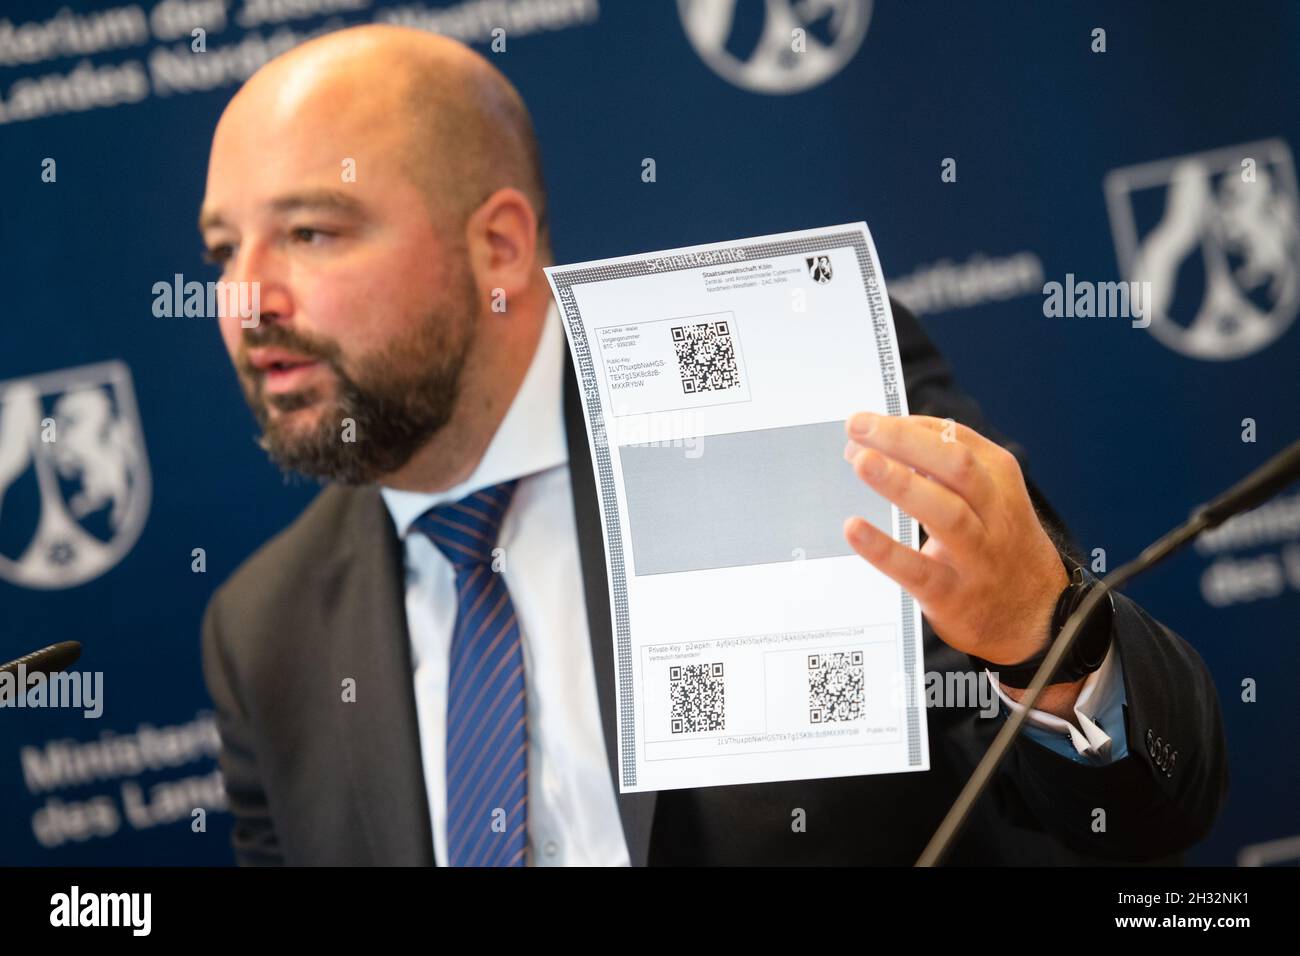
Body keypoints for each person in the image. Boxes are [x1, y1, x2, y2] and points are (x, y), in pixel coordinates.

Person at [198, 25, 1227, 865]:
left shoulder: (795, 393)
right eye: (220, 249)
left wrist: (1041, 643)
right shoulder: (262, 633)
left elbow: (1136, 816)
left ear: (498, 246)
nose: (247, 298)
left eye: (311, 232)